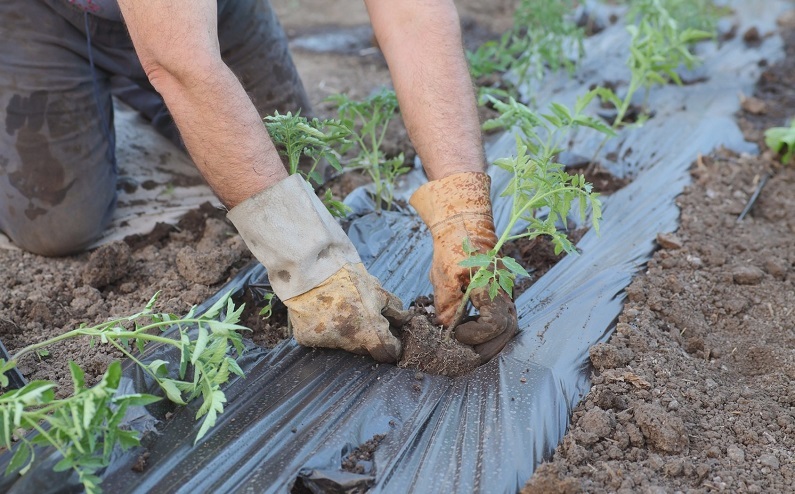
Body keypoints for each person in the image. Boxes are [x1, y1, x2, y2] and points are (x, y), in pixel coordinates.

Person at [0, 0, 517, 364]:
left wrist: (464, 214)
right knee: (59, 227)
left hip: (211, 10)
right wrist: (310, 267)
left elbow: (414, 14)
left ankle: (171, 100)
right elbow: (180, 64)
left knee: (300, 169)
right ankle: (146, 96)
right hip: (47, 18)